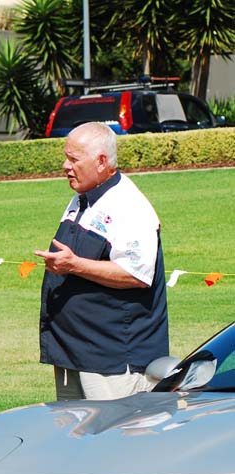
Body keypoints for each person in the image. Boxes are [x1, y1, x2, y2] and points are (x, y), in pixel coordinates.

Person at [35, 121, 169, 401]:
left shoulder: (129, 206)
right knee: (74, 429)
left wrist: (74, 265)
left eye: (74, 159)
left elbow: (136, 275)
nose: (65, 166)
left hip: (111, 360)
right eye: (66, 158)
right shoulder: (82, 199)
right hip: (74, 353)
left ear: (101, 161)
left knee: (113, 429)